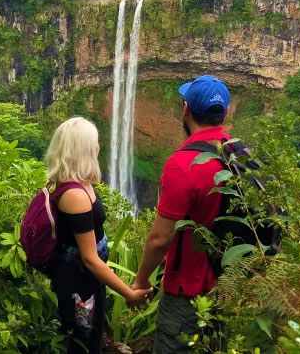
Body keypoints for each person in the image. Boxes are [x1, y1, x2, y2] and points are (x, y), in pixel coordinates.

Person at [131, 75, 233, 353]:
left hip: (187, 291)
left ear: (185, 109)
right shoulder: (241, 155)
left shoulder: (183, 164)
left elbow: (159, 240)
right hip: (231, 288)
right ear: (224, 112)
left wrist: (140, 281)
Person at [45, 117, 152, 353]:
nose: (99, 147)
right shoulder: (75, 195)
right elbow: (90, 258)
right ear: (83, 150)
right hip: (79, 284)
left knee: (91, 335)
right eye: (94, 142)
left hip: (88, 281)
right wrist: (129, 294)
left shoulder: (80, 183)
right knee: (84, 343)